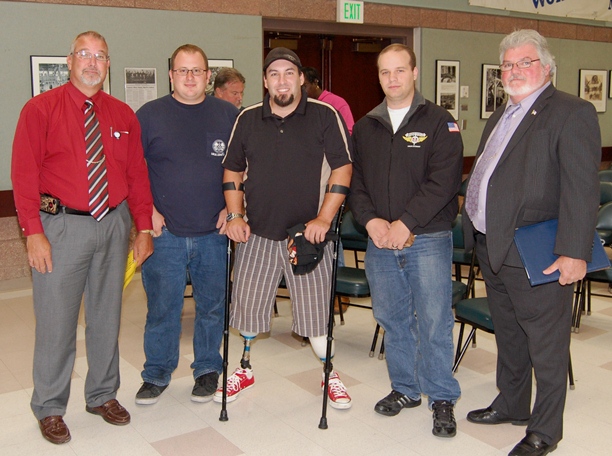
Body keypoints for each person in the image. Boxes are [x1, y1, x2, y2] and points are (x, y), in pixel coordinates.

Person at [11, 31, 154, 445]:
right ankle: (51, 406)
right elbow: (23, 176)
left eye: (101, 57)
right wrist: (33, 233)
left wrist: (142, 227)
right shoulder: (40, 110)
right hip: (60, 227)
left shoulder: (124, 115)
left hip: (113, 225)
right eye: (85, 55)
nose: (93, 63)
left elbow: (136, 176)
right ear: (70, 61)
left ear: (108, 65)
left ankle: (102, 394)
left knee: (106, 317)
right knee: (56, 323)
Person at [462, 29, 600, 456]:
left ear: (547, 66)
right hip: (493, 245)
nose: (515, 70)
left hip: (538, 251)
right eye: (508, 64)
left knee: (547, 343)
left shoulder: (571, 112)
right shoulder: (502, 114)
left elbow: (581, 188)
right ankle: (513, 402)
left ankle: (545, 430)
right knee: (510, 334)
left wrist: (574, 252)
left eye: (525, 62)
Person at [219, 47, 353, 409]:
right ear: (265, 81)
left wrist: (324, 218)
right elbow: (232, 170)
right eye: (274, 74)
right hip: (256, 233)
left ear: (300, 79)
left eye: (289, 73)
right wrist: (234, 216)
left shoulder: (325, 116)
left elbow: (343, 169)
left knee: (315, 317)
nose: (282, 80)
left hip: (307, 236)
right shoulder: (246, 118)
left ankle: (329, 373)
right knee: (246, 309)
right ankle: (244, 367)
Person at [349, 43, 463, 438]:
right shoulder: (365, 126)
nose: (392, 78)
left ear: (415, 73)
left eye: (400, 70)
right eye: (385, 72)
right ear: (378, 77)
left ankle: (442, 397)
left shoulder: (439, 121)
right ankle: (405, 388)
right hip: (380, 241)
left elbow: (444, 182)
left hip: (427, 238)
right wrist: (372, 221)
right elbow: (356, 183)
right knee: (393, 319)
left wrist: (407, 222)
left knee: (433, 321)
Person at [134, 45, 239, 405]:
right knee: (163, 308)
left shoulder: (229, 115)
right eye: (183, 71)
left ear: (209, 76)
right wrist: (147, 210)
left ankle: (208, 370)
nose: (190, 77)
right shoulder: (148, 115)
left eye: (197, 71)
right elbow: (132, 171)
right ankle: (156, 374)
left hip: (215, 233)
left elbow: (244, 168)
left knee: (212, 306)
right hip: (166, 233)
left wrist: (234, 209)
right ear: (171, 75)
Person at [302, 66, 355, 134]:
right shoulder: (301, 104)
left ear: (315, 82)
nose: (301, 91)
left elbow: (349, 132)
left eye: (304, 86)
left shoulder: (337, 102)